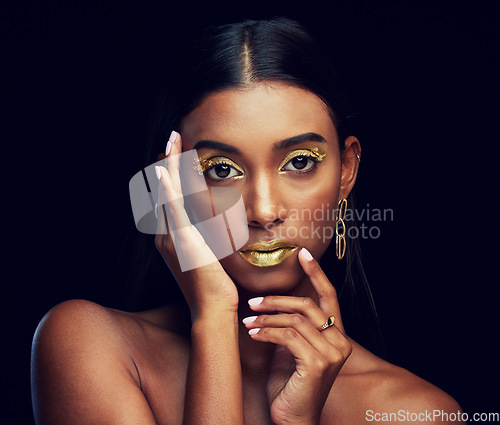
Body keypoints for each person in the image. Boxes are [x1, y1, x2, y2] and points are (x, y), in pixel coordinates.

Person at [31, 17, 463, 425]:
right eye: (221, 170)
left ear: (346, 171)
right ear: (172, 181)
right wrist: (214, 316)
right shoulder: (89, 346)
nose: (263, 211)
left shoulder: (419, 412)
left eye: (298, 162)